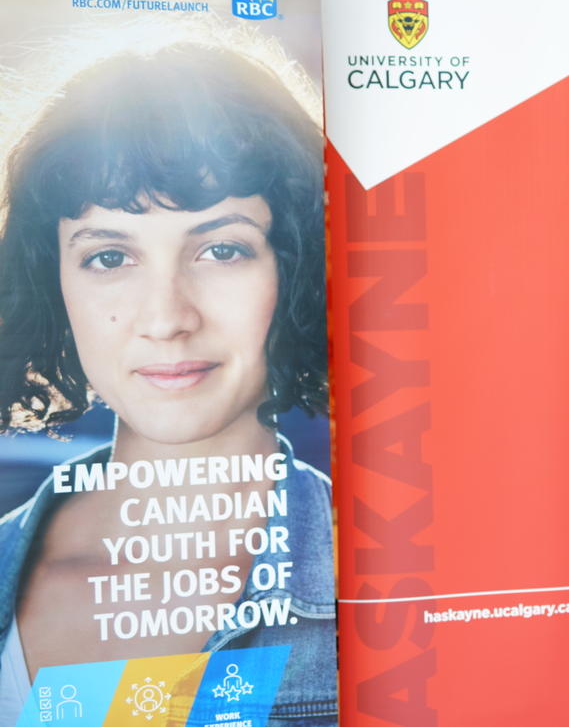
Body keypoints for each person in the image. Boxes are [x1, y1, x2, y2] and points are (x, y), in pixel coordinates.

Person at [0, 42, 336, 724]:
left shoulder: (399, 575)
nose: (166, 319)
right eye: (109, 256)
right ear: (52, 281)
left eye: (222, 249)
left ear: (296, 266)